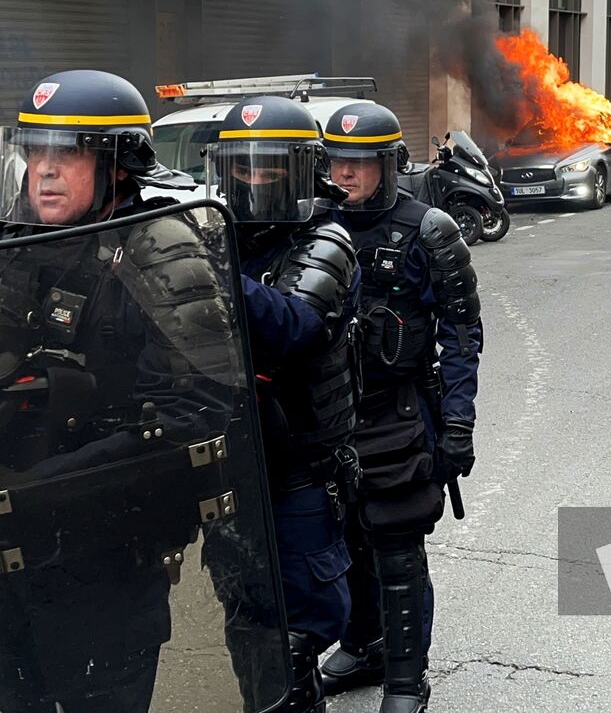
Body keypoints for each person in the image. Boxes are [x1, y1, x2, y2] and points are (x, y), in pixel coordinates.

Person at [0, 71, 262, 712]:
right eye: (34, 151)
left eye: (66, 152)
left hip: (108, 555)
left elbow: (199, 417)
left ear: (118, 162)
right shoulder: (12, 238)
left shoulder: (159, 246)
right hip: (9, 553)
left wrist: (50, 489)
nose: (42, 170)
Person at [319, 102, 482, 713]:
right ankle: (363, 644)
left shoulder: (429, 229)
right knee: (341, 537)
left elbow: (463, 334)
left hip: (400, 412)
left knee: (394, 542)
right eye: (336, 160)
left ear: (387, 165)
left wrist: (460, 422)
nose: (345, 174)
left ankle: (407, 679)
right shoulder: (315, 225)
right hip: (330, 414)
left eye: (358, 163)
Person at [203, 96, 362, 712]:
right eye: (239, 168)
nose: (252, 181)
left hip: (298, 470)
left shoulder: (327, 238)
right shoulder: (213, 235)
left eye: (269, 168)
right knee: (247, 624)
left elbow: (295, 327)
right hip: (229, 466)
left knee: (295, 639)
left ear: (302, 169)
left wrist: (207, 265)